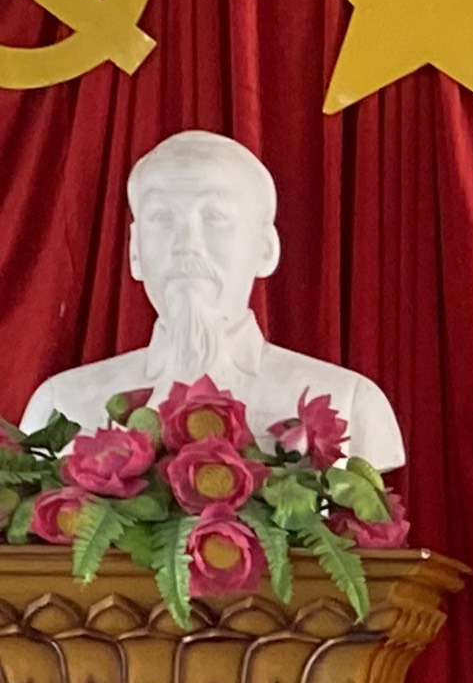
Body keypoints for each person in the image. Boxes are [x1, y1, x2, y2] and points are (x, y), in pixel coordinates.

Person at [20, 129, 403, 467]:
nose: (187, 243)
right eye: (161, 218)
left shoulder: (351, 403)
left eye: (215, 217)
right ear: (135, 251)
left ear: (266, 249)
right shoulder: (60, 405)